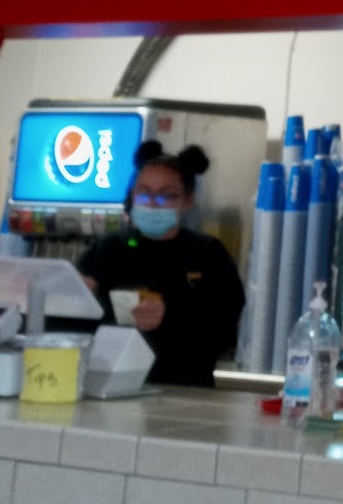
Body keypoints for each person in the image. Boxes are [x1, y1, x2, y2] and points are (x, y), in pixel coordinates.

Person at [78, 140, 244, 387]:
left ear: (187, 201)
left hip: (184, 389)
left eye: (167, 196)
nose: (153, 203)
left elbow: (226, 329)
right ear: (132, 196)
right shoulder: (106, 250)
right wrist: (81, 300)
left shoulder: (208, 254)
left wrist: (171, 316)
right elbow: (70, 329)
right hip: (108, 384)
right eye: (144, 193)